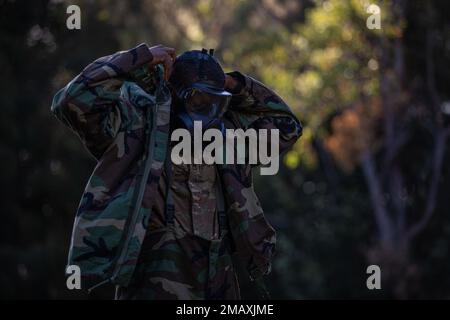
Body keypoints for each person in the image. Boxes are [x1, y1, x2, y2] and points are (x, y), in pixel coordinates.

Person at [51, 43, 302, 299]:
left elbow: (287, 127)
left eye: (215, 101)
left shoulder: (229, 138)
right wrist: (140, 58)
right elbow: (73, 100)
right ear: (176, 92)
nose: (207, 109)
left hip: (218, 283)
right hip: (153, 282)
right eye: (198, 98)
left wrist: (231, 83)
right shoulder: (136, 126)